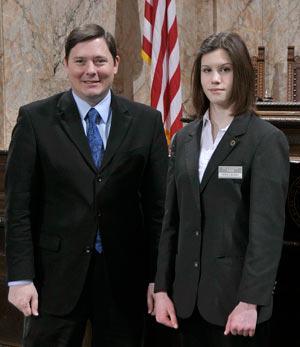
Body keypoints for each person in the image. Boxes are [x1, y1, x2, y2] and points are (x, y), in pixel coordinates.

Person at [5, 23, 168, 347]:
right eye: (80, 61)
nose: (90, 70)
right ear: (66, 64)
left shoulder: (147, 121)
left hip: (124, 279)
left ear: (116, 63)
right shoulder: (35, 120)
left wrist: (157, 278)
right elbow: (18, 207)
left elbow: (158, 209)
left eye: (99, 60)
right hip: (53, 279)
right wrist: (20, 278)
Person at [154, 32, 290, 347]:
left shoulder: (265, 141)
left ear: (240, 74)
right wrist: (161, 288)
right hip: (185, 302)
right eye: (207, 70)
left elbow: (266, 233)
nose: (215, 79)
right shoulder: (183, 139)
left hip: (235, 307)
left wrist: (250, 302)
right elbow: (170, 223)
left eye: (225, 70)